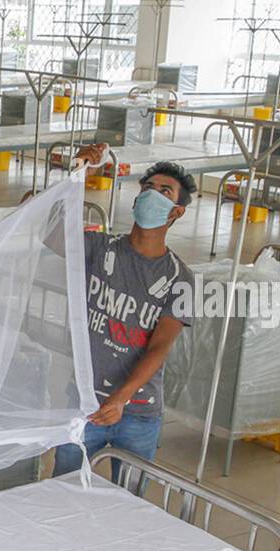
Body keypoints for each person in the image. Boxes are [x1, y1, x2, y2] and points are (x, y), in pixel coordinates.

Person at [53, 145, 196, 483]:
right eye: (148, 189)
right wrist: (77, 171)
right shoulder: (99, 249)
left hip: (138, 411)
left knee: (129, 504)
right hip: (85, 401)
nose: (153, 196)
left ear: (176, 212)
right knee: (61, 495)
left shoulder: (181, 278)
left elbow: (160, 347)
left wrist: (121, 397)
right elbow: (47, 228)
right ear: (135, 200)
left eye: (165, 192)